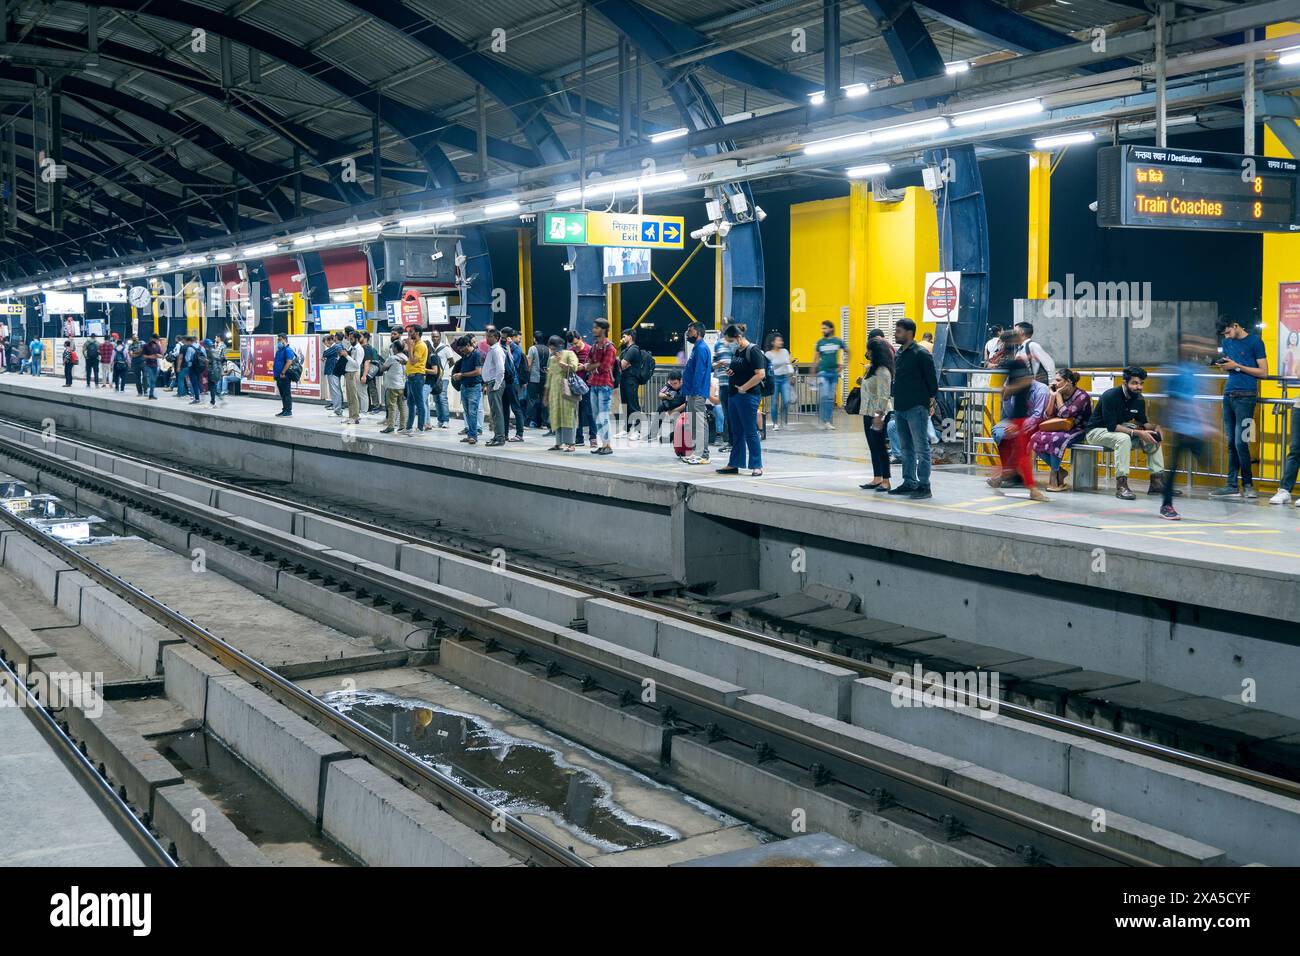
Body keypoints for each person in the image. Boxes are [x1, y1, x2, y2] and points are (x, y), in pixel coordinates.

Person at [1084, 366, 1168, 500]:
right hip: (1096, 432)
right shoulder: (1110, 396)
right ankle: (1121, 485)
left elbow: (1143, 422)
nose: (1139, 387)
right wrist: (1138, 433)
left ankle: (1157, 483)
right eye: (1134, 383)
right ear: (1125, 382)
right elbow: (1111, 426)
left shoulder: (1139, 399)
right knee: (1123, 439)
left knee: (1153, 437)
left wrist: (1155, 428)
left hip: (1120, 431)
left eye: (1141, 383)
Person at [1210, 315, 1268, 501]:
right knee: (1231, 443)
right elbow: (1230, 366)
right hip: (1229, 395)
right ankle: (1232, 485)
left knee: (1241, 442)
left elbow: (1264, 373)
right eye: (1223, 334)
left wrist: (1238, 366)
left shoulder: (1255, 342)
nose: (1226, 336)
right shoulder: (1227, 342)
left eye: (1228, 332)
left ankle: (1249, 485)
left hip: (1247, 397)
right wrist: (1225, 366)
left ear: (1235, 325)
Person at [1160, 337, 1217, 520]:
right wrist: (1203, 423)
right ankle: (1166, 505)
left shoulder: (1195, 371)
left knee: (1207, 462)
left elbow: (1198, 399)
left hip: (1195, 428)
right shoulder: (1175, 373)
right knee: (1174, 467)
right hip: (1182, 427)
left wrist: (1205, 423)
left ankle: (1225, 499)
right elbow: (1178, 401)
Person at [989, 334, 1047, 501]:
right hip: (1019, 417)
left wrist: (1013, 388)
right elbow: (1009, 391)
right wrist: (1017, 386)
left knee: (1020, 453)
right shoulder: (1014, 362)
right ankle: (1029, 488)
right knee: (1021, 454)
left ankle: (1003, 474)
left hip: (1023, 418)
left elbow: (1011, 389)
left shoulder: (1017, 361)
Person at [888, 318, 938, 499]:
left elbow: (932, 381)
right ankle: (909, 481)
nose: (896, 334)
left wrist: (930, 402)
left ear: (909, 333)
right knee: (905, 447)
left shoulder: (921, 354)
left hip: (916, 407)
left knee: (921, 447)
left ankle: (924, 485)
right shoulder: (899, 354)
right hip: (900, 407)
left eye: (899, 331)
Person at [714, 324, 766, 476]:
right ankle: (734, 463)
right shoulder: (737, 350)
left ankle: (757, 465)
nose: (729, 344)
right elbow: (739, 369)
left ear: (738, 337)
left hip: (748, 396)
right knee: (736, 432)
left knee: (750, 431)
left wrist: (744, 387)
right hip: (734, 395)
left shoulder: (753, 350)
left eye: (730, 341)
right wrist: (731, 371)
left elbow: (760, 374)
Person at [1030, 368, 1092, 492]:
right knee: (1034, 438)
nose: (1055, 383)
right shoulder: (1056, 393)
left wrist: (1057, 395)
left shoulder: (1082, 396)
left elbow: (1066, 414)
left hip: (1078, 429)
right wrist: (1053, 396)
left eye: (1058, 380)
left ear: (1068, 382)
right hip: (1059, 428)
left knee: (1056, 439)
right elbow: (1047, 415)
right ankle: (1060, 471)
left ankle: (1054, 476)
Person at [858, 335, 894, 492]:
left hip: (879, 414)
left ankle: (886, 480)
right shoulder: (871, 369)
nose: (867, 353)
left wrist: (879, 416)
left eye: (869, 350)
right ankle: (877, 477)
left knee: (880, 447)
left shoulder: (883, 371)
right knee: (873, 446)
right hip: (867, 411)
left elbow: (884, 395)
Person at [681, 321, 712, 464]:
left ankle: (703, 453)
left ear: (697, 332)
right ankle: (696, 451)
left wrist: (695, 390)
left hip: (697, 392)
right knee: (694, 422)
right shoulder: (696, 348)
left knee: (700, 422)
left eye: (690, 330)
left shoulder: (701, 348)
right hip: (692, 391)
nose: (688, 332)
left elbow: (700, 371)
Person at [585, 318, 617, 456]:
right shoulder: (595, 346)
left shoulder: (609, 347)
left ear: (603, 329)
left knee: (602, 416)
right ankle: (603, 444)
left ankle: (607, 445)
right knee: (596, 416)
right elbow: (588, 362)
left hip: (604, 384)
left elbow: (604, 367)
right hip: (595, 384)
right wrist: (594, 366)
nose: (593, 330)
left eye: (596, 328)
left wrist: (593, 366)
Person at [543, 335, 580, 452]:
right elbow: (549, 377)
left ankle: (571, 443)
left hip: (567, 391)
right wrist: (546, 394)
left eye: (554, 348)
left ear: (559, 346)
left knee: (569, 417)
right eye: (551, 349)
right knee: (556, 417)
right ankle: (558, 443)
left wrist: (561, 362)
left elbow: (574, 368)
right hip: (554, 392)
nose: (552, 351)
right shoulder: (551, 359)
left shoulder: (569, 354)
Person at [451, 334, 483, 444]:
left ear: (468, 345)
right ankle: (470, 434)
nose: (460, 350)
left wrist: (462, 375)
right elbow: (453, 345)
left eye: (462, 348)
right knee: (468, 413)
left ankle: (473, 435)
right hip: (464, 387)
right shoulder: (465, 355)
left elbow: (478, 372)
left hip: (474, 387)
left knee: (472, 412)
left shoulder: (476, 355)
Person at [814, 320, 846, 430]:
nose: (823, 330)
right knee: (824, 396)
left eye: (825, 328)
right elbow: (816, 358)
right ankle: (823, 418)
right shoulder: (820, 342)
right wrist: (813, 371)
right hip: (823, 372)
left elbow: (848, 351)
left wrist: (844, 365)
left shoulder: (837, 341)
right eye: (822, 328)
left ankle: (827, 421)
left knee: (830, 398)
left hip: (834, 373)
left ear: (831, 329)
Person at [566, 329, 594, 447]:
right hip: (574, 386)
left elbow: (596, 365)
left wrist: (584, 367)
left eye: (576, 343)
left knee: (589, 412)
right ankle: (579, 438)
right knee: (576, 413)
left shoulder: (590, 349)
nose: (575, 347)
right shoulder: (570, 351)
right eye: (572, 344)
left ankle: (593, 437)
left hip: (588, 385)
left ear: (581, 339)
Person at [481, 328, 508, 446]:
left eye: (489, 337)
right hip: (491, 383)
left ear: (496, 338)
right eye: (486, 336)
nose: (487, 339)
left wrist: (496, 385)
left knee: (497, 412)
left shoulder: (496, 350)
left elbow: (501, 369)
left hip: (495, 384)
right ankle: (497, 436)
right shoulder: (492, 350)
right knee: (494, 412)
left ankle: (500, 437)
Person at [500, 327, 526, 442]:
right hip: (503, 381)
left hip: (512, 382)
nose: (502, 339)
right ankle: (504, 433)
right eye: (501, 337)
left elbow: (512, 362)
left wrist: (508, 348)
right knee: (504, 408)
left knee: (516, 408)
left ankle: (519, 434)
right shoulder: (501, 346)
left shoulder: (516, 349)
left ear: (510, 337)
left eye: (504, 337)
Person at [618, 329, 646, 439]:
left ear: (630, 337)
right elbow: (619, 364)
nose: (623, 338)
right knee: (625, 405)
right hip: (624, 380)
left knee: (633, 406)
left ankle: (637, 431)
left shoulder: (633, 350)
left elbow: (622, 365)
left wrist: (620, 364)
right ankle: (626, 429)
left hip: (631, 381)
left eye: (624, 336)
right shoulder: (626, 350)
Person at [765, 333, 794, 430]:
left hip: (785, 378)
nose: (781, 342)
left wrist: (792, 375)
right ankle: (775, 423)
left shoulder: (785, 351)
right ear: (773, 342)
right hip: (774, 379)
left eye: (781, 340)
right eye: (778, 340)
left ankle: (784, 421)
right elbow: (768, 368)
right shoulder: (768, 354)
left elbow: (788, 363)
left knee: (786, 400)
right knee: (774, 402)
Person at [403, 326, 429, 434]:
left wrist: (409, 346)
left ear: (417, 333)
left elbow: (413, 361)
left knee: (419, 403)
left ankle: (420, 428)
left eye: (411, 332)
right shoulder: (415, 344)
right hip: (411, 377)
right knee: (410, 402)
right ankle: (409, 427)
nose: (409, 334)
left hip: (417, 377)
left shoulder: (421, 345)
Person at [427, 330, 454, 429]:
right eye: (433, 336)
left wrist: (444, 370)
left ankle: (446, 420)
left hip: (444, 377)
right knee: (436, 399)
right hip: (434, 377)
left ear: (440, 337)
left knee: (442, 398)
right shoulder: (430, 349)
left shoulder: (446, 348)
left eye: (436, 336)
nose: (435, 338)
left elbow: (452, 361)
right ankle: (440, 420)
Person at [379, 341, 407, 434]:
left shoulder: (392, 358)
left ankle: (391, 426)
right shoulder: (405, 357)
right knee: (402, 406)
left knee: (391, 407)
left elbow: (382, 368)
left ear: (395, 348)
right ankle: (403, 426)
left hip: (392, 386)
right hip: (402, 386)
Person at [526, 331, 549, 429]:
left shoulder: (532, 348)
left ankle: (527, 422)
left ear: (534, 339)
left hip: (534, 378)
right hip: (545, 378)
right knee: (544, 400)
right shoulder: (548, 349)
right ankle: (544, 423)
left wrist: (526, 377)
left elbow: (529, 364)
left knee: (531, 400)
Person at [272, 333, 296, 417]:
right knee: (282, 394)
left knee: (286, 393)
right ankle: (284, 409)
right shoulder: (279, 351)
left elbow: (289, 362)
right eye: (278, 340)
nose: (278, 342)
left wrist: (283, 372)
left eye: (279, 340)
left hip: (284, 376)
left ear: (285, 340)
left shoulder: (288, 350)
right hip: (279, 376)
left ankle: (288, 411)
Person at [323, 332, 345, 417]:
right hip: (332, 370)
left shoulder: (337, 346)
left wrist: (327, 352)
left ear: (336, 337)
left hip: (333, 370)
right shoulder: (337, 346)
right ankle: (337, 408)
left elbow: (325, 353)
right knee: (334, 390)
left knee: (335, 390)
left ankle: (338, 410)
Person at [360, 331, 381, 416]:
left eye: (360, 336)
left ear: (365, 338)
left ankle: (376, 406)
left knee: (372, 389)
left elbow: (369, 361)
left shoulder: (367, 348)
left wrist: (366, 374)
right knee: (367, 390)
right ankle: (368, 406)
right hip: (366, 372)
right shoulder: (363, 347)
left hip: (369, 372)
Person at [141, 334, 161, 399]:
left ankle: (151, 394)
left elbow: (161, 355)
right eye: (155, 339)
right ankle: (150, 394)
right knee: (151, 379)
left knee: (153, 380)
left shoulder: (158, 346)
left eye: (157, 339)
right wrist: (150, 356)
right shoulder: (146, 346)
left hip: (155, 365)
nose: (156, 340)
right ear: (151, 338)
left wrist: (158, 355)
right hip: (148, 365)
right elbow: (143, 355)